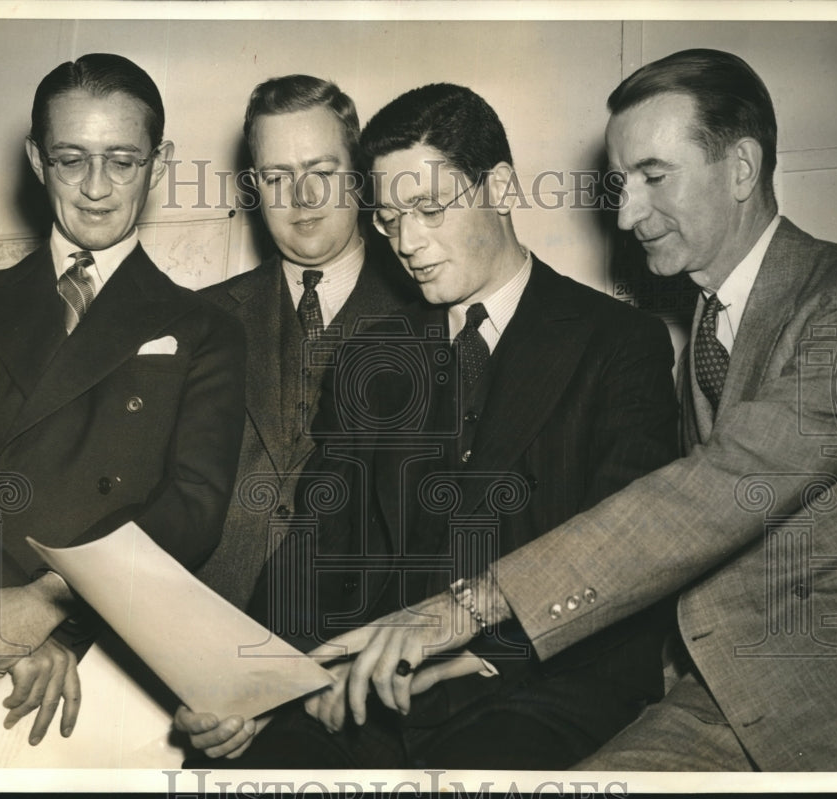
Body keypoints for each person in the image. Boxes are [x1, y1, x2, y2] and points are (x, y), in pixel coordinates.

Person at [304, 49, 837, 771]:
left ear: (743, 168)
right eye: (620, 183)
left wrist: (468, 609)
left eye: (653, 178)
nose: (625, 213)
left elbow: (711, 493)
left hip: (829, 688)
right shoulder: (702, 320)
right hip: (705, 689)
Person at [176, 83, 679, 768]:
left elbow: (629, 555)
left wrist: (482, 654)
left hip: (538, 685)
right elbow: (314, 546)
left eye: (429, 208)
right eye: (388, 219)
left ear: (499, 186)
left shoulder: (619, 341)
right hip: (374, 700)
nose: (408, 242)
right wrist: (260, 682)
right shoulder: (372, 357)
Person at [0, 53, 246, 746]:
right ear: (37, 160)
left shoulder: (206, 328)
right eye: (71, 159)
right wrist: (1, 627)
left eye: (123, 160)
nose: (96, 188)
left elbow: (192, 509)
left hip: (115, 641)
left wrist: (49, 603)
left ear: (161, 161)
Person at [193, 75, 416, 610]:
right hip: (203, 627)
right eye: (277, 177)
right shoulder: (198, 318)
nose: (303, 197)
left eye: (322, 171)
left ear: (360, 176)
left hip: (352, 640)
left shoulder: (429, 312)